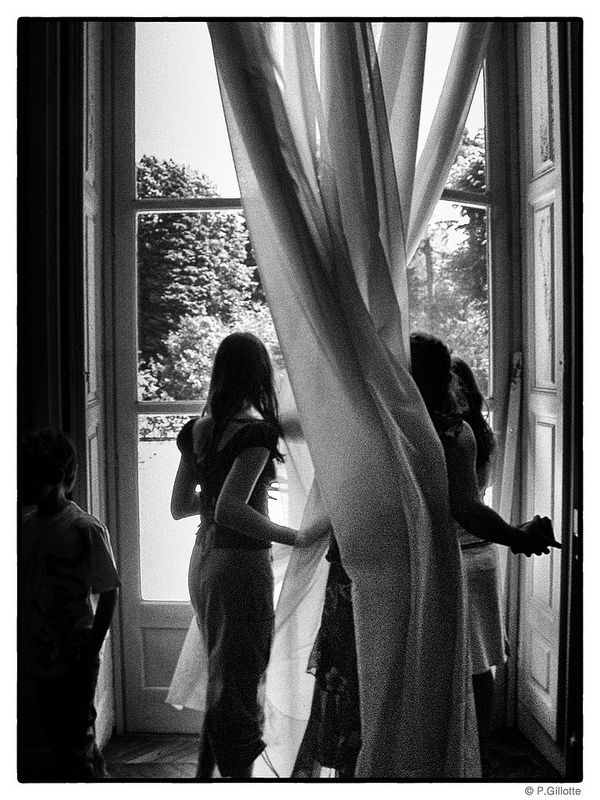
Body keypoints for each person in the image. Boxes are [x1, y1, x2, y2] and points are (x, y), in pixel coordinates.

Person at [293, 333, 559, 779]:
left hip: (364, 572)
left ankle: (357, 773)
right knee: (422, 676)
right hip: (424, 573)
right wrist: (516, 534)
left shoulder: (367, 426)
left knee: (362, 675)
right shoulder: (451, 433)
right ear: (444, 376)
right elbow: (467, 508)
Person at [170, 331, 330, 780]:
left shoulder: (198, 429)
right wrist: (298, 537)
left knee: (223, 672)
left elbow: (181, 506)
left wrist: (213, 477)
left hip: (202, 562)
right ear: (261, 375)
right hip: (238, 567)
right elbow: (231, 509)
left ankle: (204, 779)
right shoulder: (255, 433)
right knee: (240, 681)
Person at [20, 429, 120, 781]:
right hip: (38, 648)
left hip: (75, 650)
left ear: (56, 476)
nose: (20, 481)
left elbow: (109, 591)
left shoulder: (83, 529)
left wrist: (90, 647)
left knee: (75, 734)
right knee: (57, 730)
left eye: (29, 474)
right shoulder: (27, 524)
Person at [451, 354, 507, 777]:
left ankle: (476, 753)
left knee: (468, 664)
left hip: (462, 555)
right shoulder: (480, 434)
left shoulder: (456, 436)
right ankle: (481, 751)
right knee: (479, 662)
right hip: (481, 554)